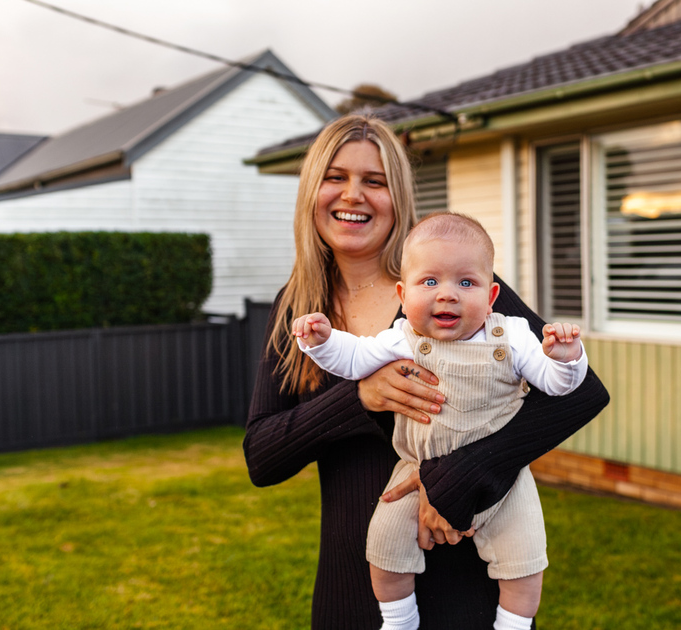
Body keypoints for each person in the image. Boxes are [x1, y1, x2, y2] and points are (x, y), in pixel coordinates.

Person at [243, 114, 610, 630]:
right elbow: (262, 456)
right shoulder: (298, 310)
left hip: (464, 571)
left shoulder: (448, 280)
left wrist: (459, 477)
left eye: (375, 181)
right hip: (353, 580)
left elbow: (582, 392)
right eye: (336, 177)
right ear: (311, 192)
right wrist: (360, 397)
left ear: (398, 197)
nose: (353, 196)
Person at [292, 212, 588, 630]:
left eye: (466, 283)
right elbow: (355, 358)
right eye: (429, 282)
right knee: (384, 547)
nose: (447, 295)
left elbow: (559, 386)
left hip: (505, 482)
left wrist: (566, 359)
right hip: (414, 476)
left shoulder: (515, 336)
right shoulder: (400, 338)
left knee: (525, 562)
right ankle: (398, 620)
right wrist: (322, 342)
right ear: (403, 293)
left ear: (491, 297)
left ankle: (514, 625)